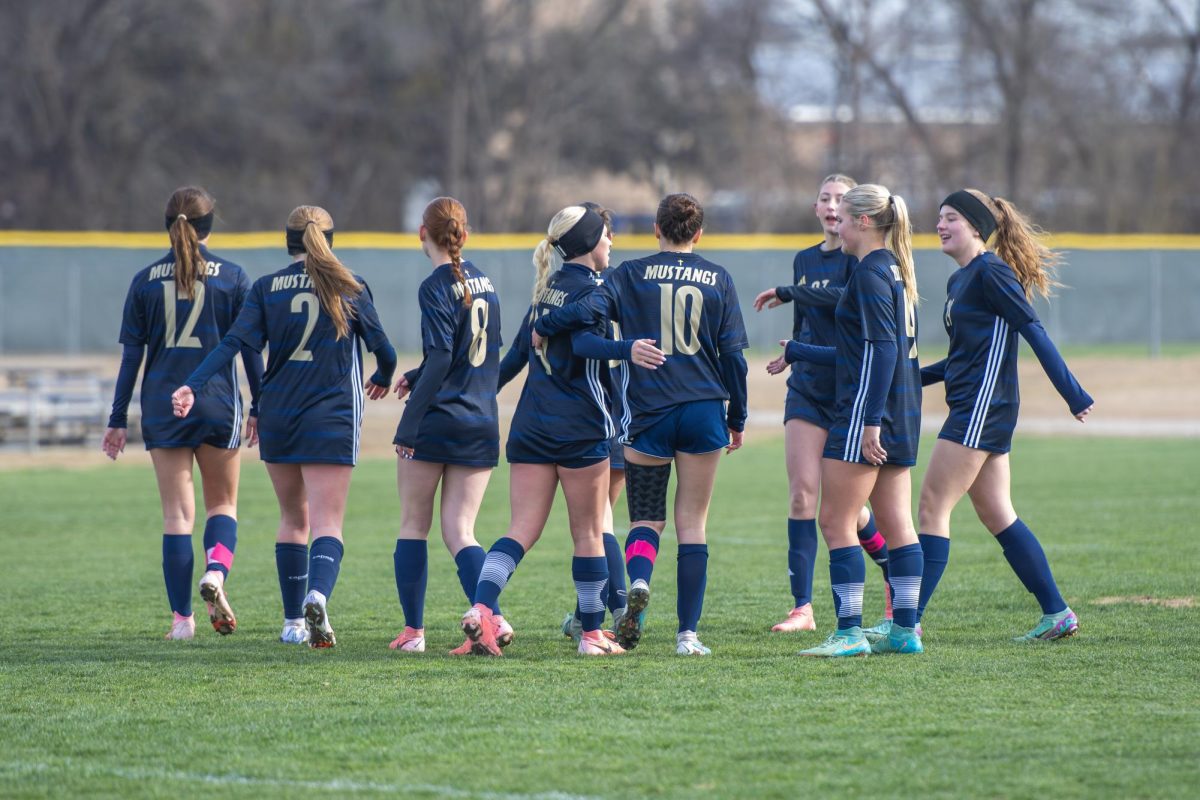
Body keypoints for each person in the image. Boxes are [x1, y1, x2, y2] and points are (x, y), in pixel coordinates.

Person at [534, 193, 749, 656]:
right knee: (692, 523)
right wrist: (739, 416)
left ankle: (638, 582)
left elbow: (586, 312)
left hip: (649, 412)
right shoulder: (719, 278)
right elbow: (734, 359)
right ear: (698, 233)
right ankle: (687, 636)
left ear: (656, 229)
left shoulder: (629, 274)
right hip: (703, 409)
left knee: (645, 519)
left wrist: (549, 321)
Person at [172, 205, 396, 648]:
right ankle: (317, 595)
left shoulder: (267, 287)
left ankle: (294, 622)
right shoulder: (349, 284)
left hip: (279, 414)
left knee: (293, 520)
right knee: (327, 523)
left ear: (287, 241)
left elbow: (234, 344)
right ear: (329, 240)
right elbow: (383, 350)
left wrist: (192, 385)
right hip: (331, 414)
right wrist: (385, 377)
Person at [460, 205, 662, 657]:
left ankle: (481, 606)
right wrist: (628, 348)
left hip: (531, 425)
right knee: (590, 533)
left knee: (520, 530)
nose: (611, 243)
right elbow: (586, 344)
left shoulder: (546, 288)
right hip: (579, 427)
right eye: (606, 235)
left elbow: (511, 359)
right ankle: (591, 635)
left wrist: (475, 396)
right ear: (590, 242)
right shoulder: (591, 290)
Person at [913, 189, 1092, 641]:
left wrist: (1073, 393)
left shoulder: (991, 272)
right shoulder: (960, 280)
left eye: (951, 217)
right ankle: (1057, 614)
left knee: (932, 508)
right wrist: (906, 379)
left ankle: (904, 622)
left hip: (982, 408)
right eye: (939, 217)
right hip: (975, 405)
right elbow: (959, 360)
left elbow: (1032, 329)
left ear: (976, 226)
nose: (941, 224)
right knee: (997, 513)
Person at [103, 187, 262, 641]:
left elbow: (132, 359)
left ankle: (182, 622)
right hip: (216, 402)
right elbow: (250, 349)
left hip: (162, 403)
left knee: (176, 518)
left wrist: (117, 419)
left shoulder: (144, 281)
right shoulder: (233, 277)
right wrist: (260, 405)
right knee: (223, 504)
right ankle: (216, 571)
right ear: (210, 225)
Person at [782, 183, 925, 658]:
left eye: (842, 216)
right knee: (898, 524)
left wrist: (868, 422)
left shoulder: (867, 273)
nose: (835, 224)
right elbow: (862, 347)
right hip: (900, 413)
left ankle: (848, 632)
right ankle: (905, 630)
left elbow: (882, 351)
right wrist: (800, 351)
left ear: (864, 222)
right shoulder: (896, 271)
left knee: (835, 521)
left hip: (867, 412)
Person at [755, 174, 892, 633]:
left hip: (848, 389)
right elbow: (807, 324)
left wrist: (791, 291)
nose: (831, 205)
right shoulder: (804, 259)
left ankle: (894, 571)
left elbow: (841, 302)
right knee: (801, 495)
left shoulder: (861, 260)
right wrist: (789, 354)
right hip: (809, 388)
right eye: (824, 198)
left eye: (840, 199)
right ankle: (803, 609)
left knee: (850, 511)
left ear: (855, 212)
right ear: (816, 208)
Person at [387, 197, 504, 655]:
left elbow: (440, 356)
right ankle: (490, 617)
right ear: (465, 235)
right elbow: (476, 351)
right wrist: (417, 375)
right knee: (461, 531)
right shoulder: (487, 283)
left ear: (423, 234)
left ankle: (414, 633)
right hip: (480, 420)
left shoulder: (435, 286)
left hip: (438, 420)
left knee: (414, 526)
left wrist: (408, 424)